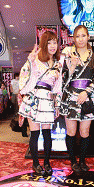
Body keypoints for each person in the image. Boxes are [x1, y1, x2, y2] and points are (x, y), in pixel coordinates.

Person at [59, 24, 94, 173]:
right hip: (70, 98)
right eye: (77, 36)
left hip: (87, 98)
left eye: (83, 35)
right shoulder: (68, 55)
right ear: (73, 38)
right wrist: (71, 67)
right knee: (71, 131)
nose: (80, 39)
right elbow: (62, 80)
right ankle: (73, 161)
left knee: (85, 131)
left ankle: (82, 160)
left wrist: (87, 92)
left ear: (88, 37)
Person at [18, 31, 63, 175]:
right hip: (34, 99)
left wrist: (57, 104)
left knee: (47, 133)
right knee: (35, 133)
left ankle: (47, 163)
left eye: (54, 42)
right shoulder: (34, 60)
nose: (52, 46)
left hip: (48, 101)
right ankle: (36, 163)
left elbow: (58, 87)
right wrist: (31, 62)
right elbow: (24, 83)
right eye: (49, 43)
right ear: (43, 44)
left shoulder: (58, 64)